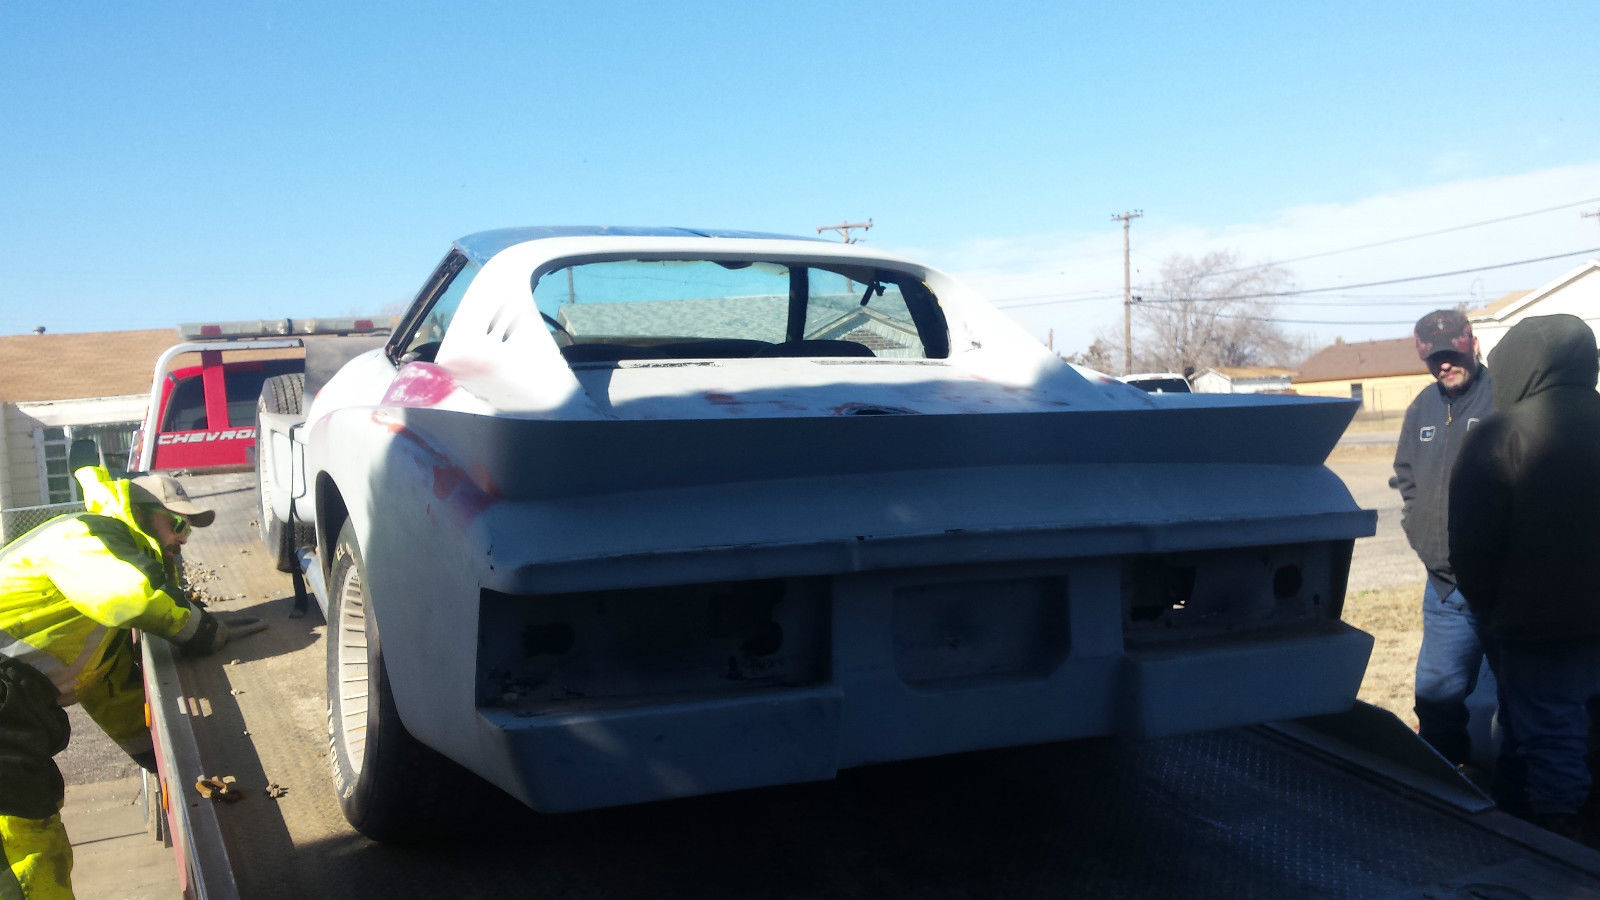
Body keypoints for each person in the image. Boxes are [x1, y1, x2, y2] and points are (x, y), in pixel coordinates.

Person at [0, 465, 263, 899]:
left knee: (35, 843)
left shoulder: (99, 590)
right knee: (20, 850)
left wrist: (166, 766)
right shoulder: (89, 534)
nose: (182, 538)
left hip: (13, 707)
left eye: (188, 531)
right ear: (139, 513)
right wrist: (203, 631)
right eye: (176, 523)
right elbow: (133, 598)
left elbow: (111, 693)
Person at [1450, 313, 1600, 841]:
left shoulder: (1499, 434)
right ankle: (1522, 813)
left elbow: (1472, 543)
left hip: (1541, 623)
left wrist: (1489, 606)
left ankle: (1561, 851)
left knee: (1548, 732)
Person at [1391, 308, 1495, 767]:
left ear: (1471, 343)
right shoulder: (1422, 407)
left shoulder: (1503, 399)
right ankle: (1446, 787)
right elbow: (1405, 475)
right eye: (1434, 358)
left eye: (1451, 353)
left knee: (1504, 703)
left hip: (1501, 587)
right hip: (1444, 590)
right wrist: (1416, 528)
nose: (1444, 365)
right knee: (1436, 699)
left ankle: (1511, 801)